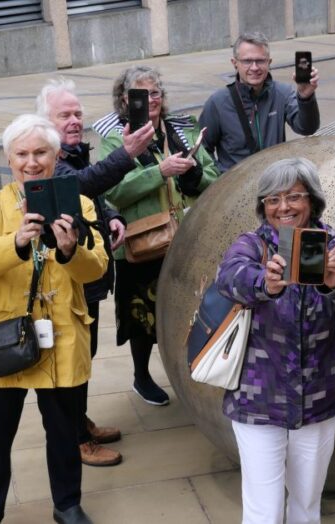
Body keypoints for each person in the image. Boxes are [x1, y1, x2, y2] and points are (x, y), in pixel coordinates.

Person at [0, 114, 108, 524]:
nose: (31, 162)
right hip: (3, 339)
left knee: (64, 434)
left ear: (56, 155)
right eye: (21, 154)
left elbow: (96, 268)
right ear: (9, 159)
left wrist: (68, 251)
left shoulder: (80, 203)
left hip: (61, 336)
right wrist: (17, 241)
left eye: (40, 152)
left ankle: (67, 505)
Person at [216, 158, 335, 523]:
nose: (283, 207)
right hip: (258, 398)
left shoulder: (330, 242)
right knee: (264, 510)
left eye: (293, 197)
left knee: (306, 503)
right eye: (273, 199)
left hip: (318, 395)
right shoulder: (253, 245)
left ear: (312, 201)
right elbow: (229, 277)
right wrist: (265, 284)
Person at [37, 77, 155, 467]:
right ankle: (75, 440)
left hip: (89, 276)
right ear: (45, 121)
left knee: (85, 355)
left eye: (77, 113)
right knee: (71, 360)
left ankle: (80, 423)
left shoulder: (72, 152)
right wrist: (126, 154)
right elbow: (79, 186)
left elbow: (94, 197)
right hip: (66, 282)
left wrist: (114, 217)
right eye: (63, 115)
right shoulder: (47, 159)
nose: (73, 120)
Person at [93, 65, 220, 406]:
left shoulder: (178, 130)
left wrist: (193, 174)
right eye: (140, 93)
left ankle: (190, 369)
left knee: (188, 307)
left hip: (186, 238)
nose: (149, 99)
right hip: (142, 244)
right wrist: (158, 172)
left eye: (155, 93)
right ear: (124, 99)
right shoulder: (115, 139)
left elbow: (212, 172)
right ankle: (141, 375)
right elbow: (112, 191)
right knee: (142, 316)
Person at [199, 32, 320, 173]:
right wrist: (221, 179)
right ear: (235, 63)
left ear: (269, 62)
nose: (254, 67)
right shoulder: (218, 102)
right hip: (237, 189)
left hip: (274, 186)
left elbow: (306, 128)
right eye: (247, 61)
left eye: (260, 61)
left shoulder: (282, 93)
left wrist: (306, 97)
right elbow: (202, 150)